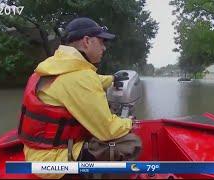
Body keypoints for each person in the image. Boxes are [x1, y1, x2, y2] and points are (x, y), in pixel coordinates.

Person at [17, 17, 142, 179]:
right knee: (130, 144)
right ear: (87, 41)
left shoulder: (52, 67)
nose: (104, 48)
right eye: (101, 42)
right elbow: (108, 130)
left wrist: (112, 78)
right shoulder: (81, 78)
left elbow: (87, 82)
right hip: (55, 162)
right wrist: (130, 122)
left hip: (35, 155)